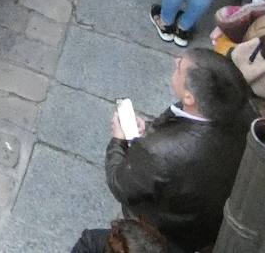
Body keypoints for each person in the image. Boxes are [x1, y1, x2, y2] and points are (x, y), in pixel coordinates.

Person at [72, 50, 250, 253]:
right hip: (202, 226)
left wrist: (118, 140)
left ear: (189, 97)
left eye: (180, 66)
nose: (175, 61)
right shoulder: (241, 114)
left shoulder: (158, 152)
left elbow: (120, 182)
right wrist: (150, 130)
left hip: (164, 231)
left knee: (89, 242)